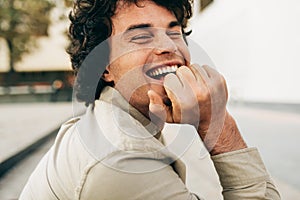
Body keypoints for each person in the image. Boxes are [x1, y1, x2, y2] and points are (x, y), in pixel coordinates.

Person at [20, 0, 281, 199]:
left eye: (174, 32)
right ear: (104, 68)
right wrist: (217, 122)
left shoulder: (117, 123)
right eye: (141, 36)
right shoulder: (122, 156)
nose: (168, 46)